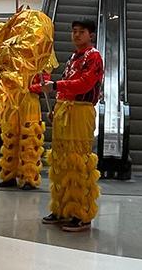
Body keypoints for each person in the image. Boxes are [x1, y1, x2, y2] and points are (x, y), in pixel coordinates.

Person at [41, 18, 103, 232]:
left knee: (78, 160)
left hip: (81, 111)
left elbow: (85, 84)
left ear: (91, 35)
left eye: (81, 31)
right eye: (74, 31)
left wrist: (56, 86)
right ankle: (61, 208)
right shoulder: (73, 58)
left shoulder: (93, 57)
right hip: (65, 111)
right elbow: (68, 87)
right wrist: (56, 107)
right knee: (61, 161)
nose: (76, 35)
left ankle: (81, 214)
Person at [0, 69, 45, 190]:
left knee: (30, 138)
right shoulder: (10, 57)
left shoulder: (40, 58)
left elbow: (44, 78)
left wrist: (33, 87)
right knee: (10, 137)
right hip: (12, 100)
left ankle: (29, 177)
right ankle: (9, 175)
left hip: (30, 99)